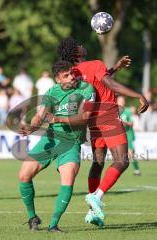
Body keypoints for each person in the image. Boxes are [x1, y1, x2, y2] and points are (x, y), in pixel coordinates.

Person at [52, 37, 148, 226]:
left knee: (97, 163)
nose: (82, 45)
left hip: (93, 121)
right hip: (109, 115)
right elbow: (109, 85)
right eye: (78, 44)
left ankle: (92, 212)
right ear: (75, 52)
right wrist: (138, 95)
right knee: (122, 161)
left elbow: (99, 80)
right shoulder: (95, 63)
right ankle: (97, 196)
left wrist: (115, 68)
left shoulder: (75, 72)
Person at [18, 60, 96, 232]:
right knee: (24, 175)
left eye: (72, 73)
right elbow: (40, 115)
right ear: (58, 79)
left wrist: (58, 119)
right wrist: (32, 127)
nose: (71, 77)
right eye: (66, 76)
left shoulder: (86, 89)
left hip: (71, 142)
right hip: (50, 139)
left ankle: (53, 225)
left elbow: (86, 117)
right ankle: (32, 217)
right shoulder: (52, 91)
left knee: (68, 181)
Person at [117, 96, 141, 175]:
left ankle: (136, 169)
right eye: (120, 101)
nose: (122, 102)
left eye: (123, 100)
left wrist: (124, 122)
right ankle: (120, 170)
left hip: (128, 135)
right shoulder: (115, 111)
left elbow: (131, 123)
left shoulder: (127, 111)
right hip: (119, 135)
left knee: (130, 153)